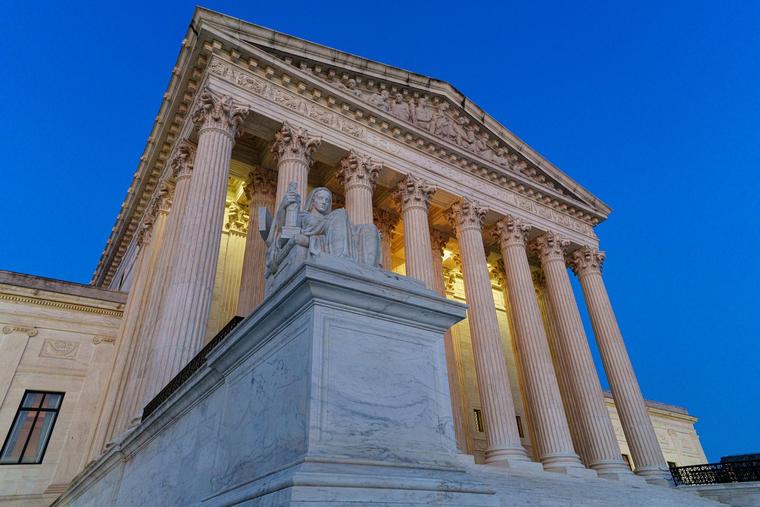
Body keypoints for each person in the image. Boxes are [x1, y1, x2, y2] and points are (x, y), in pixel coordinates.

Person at [265, 186, 380, 277]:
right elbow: (282, 230)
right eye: (321, 198)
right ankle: (342, 262)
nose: (324, 202)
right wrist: (283, 206)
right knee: (341, 213)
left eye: (327, 200)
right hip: (319, 238)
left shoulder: (333, 219)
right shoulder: (302, 216)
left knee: (369, 228)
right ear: (313, 200)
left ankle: (368, 273)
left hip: (331, 238)